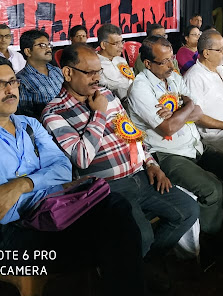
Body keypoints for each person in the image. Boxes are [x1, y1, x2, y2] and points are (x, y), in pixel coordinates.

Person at [0, 55, 144, 294]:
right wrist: (48, 183)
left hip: (49, 211)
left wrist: (23, 184)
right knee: (113, 233)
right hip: (7, 237)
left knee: (114, 208)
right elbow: (5, 212)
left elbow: (63, 169)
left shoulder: (28, 124)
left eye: (12, 81)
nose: (10, 90)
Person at [42, 44, 198, 258]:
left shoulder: (107, 94)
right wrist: (99, 114)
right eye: (89, 73)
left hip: (141, 176)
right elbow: (82, 158)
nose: (97, 78)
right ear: (68, 73)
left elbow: (131, 135)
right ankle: (134, 266)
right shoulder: (54, 112)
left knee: (188, 210)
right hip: (107, 188)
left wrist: (151, 163)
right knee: (141, 236)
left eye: (99, 71)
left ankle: (144, 262)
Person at [127, 36, 223, 234]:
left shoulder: (173, 77)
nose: (171, 65)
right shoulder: (141, 88)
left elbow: (197, 111)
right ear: (148, 64)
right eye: (164, 61)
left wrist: (180, 110)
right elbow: (168, 128)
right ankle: (209, 241)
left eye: (171, 58)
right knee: (213, 190)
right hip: (168, 154)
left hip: (195, 146)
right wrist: (185, 106)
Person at [17, 29, 63, 117]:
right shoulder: (21, 81)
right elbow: (26, 116)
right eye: (42, 45)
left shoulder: (57, 71)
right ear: (28, 51)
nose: (48, 49)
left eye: (48, 45)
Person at [97, 23, 134, 101]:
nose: (121, 46)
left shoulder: (121, 60)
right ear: (103, 45)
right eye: (116, 43)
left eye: (121, 42)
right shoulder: (95, 63)